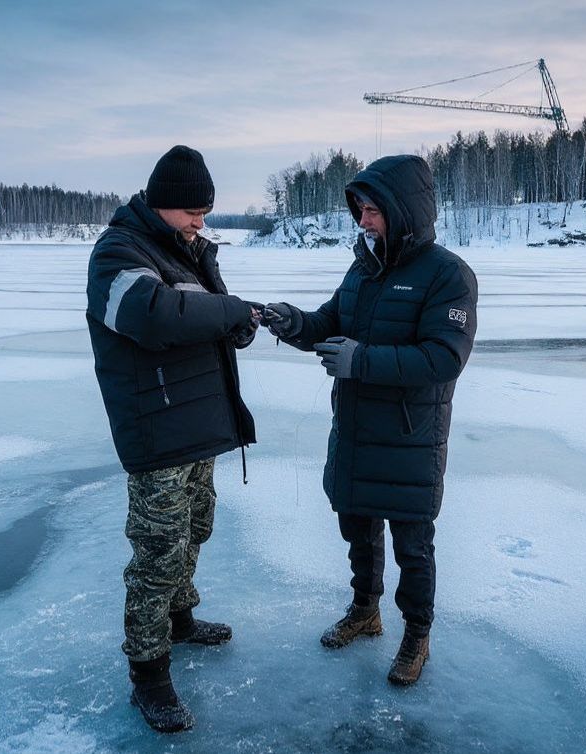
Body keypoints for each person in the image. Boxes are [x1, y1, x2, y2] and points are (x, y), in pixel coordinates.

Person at [261, 154, 477, 686]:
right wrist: (295, 323)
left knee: (412, 547)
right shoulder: (362, 268)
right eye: (359, 210)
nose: (363, 221)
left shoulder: (448, 275)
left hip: (408, 439)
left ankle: (417, 634)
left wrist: (361, 361)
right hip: (356, 431)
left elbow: (443, 358)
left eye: (372, 210)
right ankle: (365, 611)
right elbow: (329, 322)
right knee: (356, 529)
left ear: (403, 211)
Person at [85, 145, 260, 733]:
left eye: (205, 213)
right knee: (158, 553)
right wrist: (228, 311)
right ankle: (148, 674)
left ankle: (180, 619)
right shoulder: (118, 252)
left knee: (194, 530)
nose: (200, 223)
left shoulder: (188, 251)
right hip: (157, 428)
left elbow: (206, 316)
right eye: (192, 212)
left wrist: (237, 325)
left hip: (197, 423)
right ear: (162, 203)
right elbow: (154, 316)